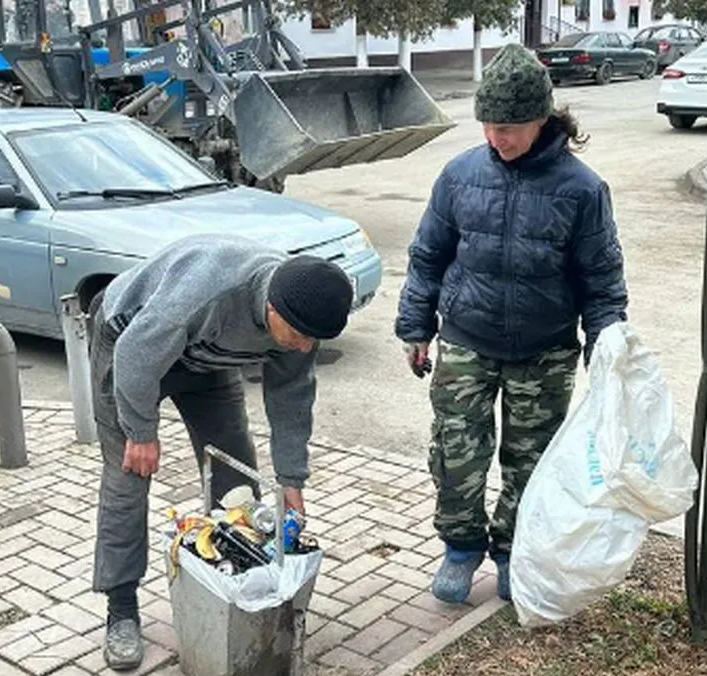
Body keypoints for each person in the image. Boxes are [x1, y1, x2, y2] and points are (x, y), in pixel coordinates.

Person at [394, 43, 629, 605]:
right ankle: (460, 546)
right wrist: (415, 326)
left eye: (509, 128)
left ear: (541, 120)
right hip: (466, 341)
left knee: (531, 462)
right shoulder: (459, 176)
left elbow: (602, 282)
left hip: (544, 352)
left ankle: (511, 550)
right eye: (488, 127)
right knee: (456, 452)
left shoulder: (582, 190)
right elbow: (428, 255)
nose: (497, 139)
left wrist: (607, 352)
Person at [86, 233, 354, 671]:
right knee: (129, 476)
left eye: (314, 340)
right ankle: (121, 608)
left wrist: (291, 479)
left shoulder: (301, 316)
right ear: (273, 309)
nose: (305, 347)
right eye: (302, 336)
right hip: (129, 343)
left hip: (205, 361)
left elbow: (291, 399)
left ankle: (233, 580)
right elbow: (137, 352)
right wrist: (141, 431)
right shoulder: (204, 295)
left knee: (238, 479)